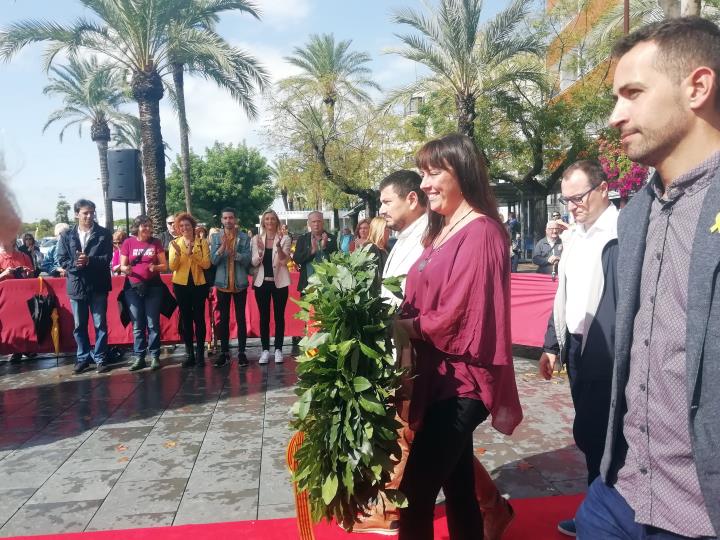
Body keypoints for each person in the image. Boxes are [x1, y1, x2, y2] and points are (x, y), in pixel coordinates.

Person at [576, 17, 720, 539]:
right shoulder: (637, 213)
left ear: (697, 87)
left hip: (700, 516)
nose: (616, 115)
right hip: (619, 494)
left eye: (633, 93)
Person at [367, 169, 514, 539]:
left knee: (415, 496)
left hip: (464, 381)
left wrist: (407, 327)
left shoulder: (481, 232)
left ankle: (495, 510)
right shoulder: (442, 230)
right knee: (459, 487)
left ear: (462, 173)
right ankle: (494, 512)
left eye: (433, 173)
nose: (426, 184)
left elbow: (459, 315)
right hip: (437, 377)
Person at [538, 160, 619, 537]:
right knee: (588, 435)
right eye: (567, 199)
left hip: (609, 351)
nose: (573, 205)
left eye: (579, 196)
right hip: (577, 347)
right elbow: (563, 296)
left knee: (604, 436)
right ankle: (595, 511)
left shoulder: (620, 233)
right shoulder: (575, 236)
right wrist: (551, 345)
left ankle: (604, 516)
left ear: (603, 188)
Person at [57, 199, 113, 374]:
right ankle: (82, 358)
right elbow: (62, 259)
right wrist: (76, 264)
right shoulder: (67, 236)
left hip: (98, 285)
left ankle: (100, 357)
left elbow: (107, 259)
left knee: (100, 324)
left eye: (91, 212)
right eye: (85, 213)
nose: (89, 216)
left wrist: (89, 260)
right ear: (77, 214)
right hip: (77, 286)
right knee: (79, 325)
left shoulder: (104, 233)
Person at [119, 215, 168, 371]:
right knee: (137, 325)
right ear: (137, 227)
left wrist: (156, 268)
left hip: (153, 287)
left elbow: (164, 265)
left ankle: (154, 356)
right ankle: (139, 356)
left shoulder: (156, 242)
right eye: (143, 225)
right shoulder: (128, 242)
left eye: (149, 225)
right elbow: (122, 265)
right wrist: (125, 269)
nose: (147, 228)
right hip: (133, 288)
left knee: (152, 323)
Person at [209, 207, 252, 368]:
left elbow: (248, 260)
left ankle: (241, 353)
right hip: (222, 285)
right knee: (224, 320)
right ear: (221, 220)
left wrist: (236, 255)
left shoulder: (244, 237)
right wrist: (221, 249)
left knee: (241, 319)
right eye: (225, 218)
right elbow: (212, 261)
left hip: (240, 284)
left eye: (231, 218)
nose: (228, 221)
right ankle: (224, 353)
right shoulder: (215, 237)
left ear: (235, 220)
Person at [168, 212, 210, 368]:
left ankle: (200, 354)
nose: (185, 228)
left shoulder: (202, 242)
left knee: (199, 318)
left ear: (193, 227)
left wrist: (193, 254)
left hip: (199, 284)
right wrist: (178, 255)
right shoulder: (175, 244)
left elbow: (206, 264)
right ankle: (189, 353)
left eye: (187, 225)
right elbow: (172, 266)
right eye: (181, 226)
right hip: (181, 285)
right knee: (185, 319)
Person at [251, 209, 292, 365]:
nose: (269, 222)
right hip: (262, 283)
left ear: (277, 221)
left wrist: (279, 247)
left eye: (272, 219)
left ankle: (279, 349)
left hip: (279, 283)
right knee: (264, 317)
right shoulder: (256, 239)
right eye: (267, 219)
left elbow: (284, 261)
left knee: (279, 316)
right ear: (263, 222)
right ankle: (265, 350)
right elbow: (254, 262)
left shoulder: (285, 238)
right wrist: (260, 253)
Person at [293, 211, 337, 293]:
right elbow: (297, 259)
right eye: (313, 221)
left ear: (323, 222)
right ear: (309, 223)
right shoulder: (302, 239)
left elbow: (336, 260)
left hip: (327, 285)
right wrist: (311, 251)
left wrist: (324, 248)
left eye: (319, 221)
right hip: (307, 285)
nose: (316, 224)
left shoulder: (332, 238)